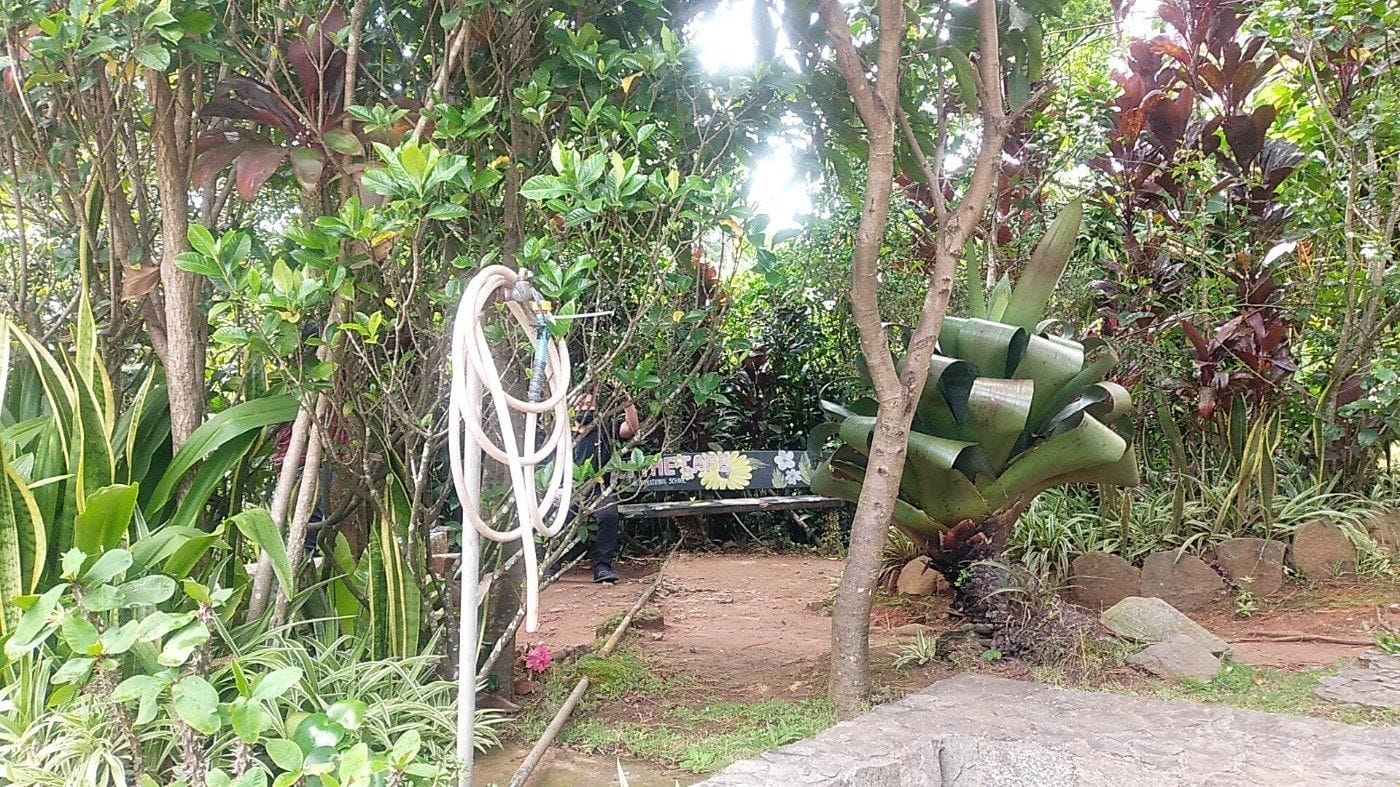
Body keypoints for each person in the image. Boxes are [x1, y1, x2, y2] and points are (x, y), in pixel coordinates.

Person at [560, 389, 638, 584]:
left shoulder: (604, 429)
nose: (585, 408)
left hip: (598, 489)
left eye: (589, 405)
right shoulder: (562, 432)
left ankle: (602, 567)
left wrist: (626, 402)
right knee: (553, 517)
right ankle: (551, 566)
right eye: (580, 405)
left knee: (609, 514)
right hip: (569, 489)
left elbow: (631, 427)